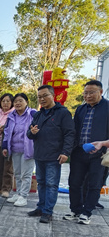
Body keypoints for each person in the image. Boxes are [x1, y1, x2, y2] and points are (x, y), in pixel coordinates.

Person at [27, 85, 75, 223]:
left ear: (53, 95)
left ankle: (48, 212)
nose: (42, 99)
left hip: (54, 155)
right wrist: (32, 132)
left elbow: (69, 133)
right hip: (40, 154)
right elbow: (29, 133)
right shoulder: (38, 114)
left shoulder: (63, 113)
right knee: (41, 183)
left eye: (45, 95)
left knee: (51, 184)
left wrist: (65, 152)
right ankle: (41, 207)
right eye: (39, 97)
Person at [64, 80, 108, 225]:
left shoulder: (107, 108)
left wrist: (103, 145)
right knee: (74, 182)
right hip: (79, 151)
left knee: (94, 184)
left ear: (100, 92)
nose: (88, 96)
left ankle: (87, 212)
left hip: (99, 153)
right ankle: (75, 210)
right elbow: (74, 130)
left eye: (91, 93)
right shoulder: (80, 109)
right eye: (85, 93)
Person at [2, 93, 37, 207]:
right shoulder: (11, 115)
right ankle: (18, 194)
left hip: (28, 149)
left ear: (26, 102)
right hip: (15, 148)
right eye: (15, 101)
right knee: (17, 173)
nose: (17, 103)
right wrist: (5, 146)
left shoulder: (33, 113)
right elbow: (7, 132)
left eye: (20, 101)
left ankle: (23, 196)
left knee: (26, 174)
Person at [0, 93, 15, 198]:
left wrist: (5, 128)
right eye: (3, 101)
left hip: (9, 144)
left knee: (8, 168)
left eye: (8, 101)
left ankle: (6, 189)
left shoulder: (14, 113)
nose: (5, 103)